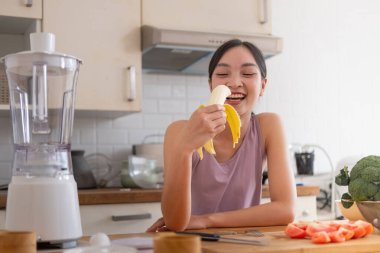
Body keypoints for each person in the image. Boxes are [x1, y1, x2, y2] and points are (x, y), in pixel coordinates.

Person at [147, 39, 297, 232]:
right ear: (211, 85)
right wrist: (185, 149)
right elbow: (175, 222)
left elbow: (286, 210)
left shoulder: (269, 126)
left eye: (248, 73)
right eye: (223, 74)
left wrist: (206, 220)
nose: (234, 83)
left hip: (243, 244)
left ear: (263, 86)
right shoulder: (179, 131)